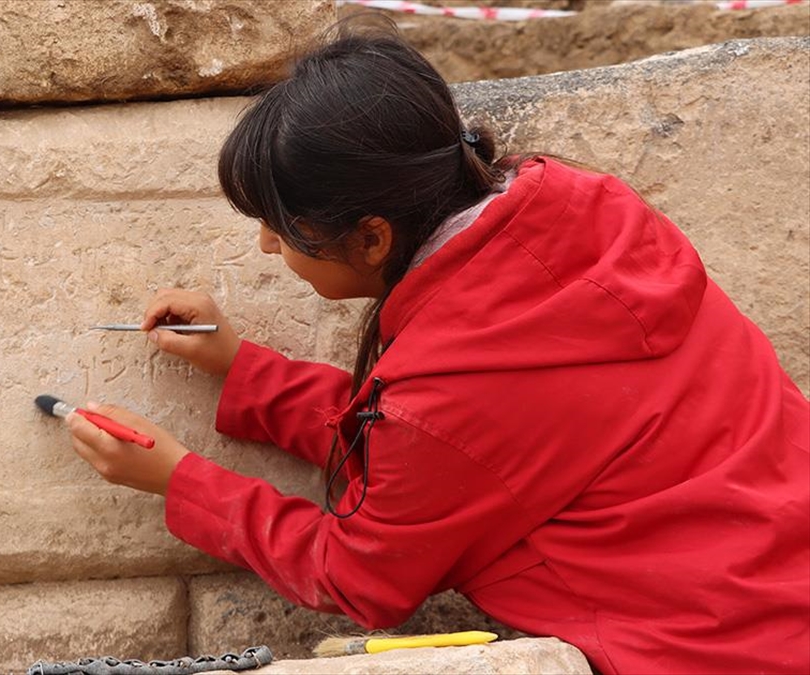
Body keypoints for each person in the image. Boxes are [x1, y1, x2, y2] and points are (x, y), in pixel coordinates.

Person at [63, 18, 810, 675]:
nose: (264, 246)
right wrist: (241, 371)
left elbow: (363, 571)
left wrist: (181, 480)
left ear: (373, 236)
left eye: (283, 230)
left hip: (713, 647)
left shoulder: (453, 389)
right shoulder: (579, 219)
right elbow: (447, 452)